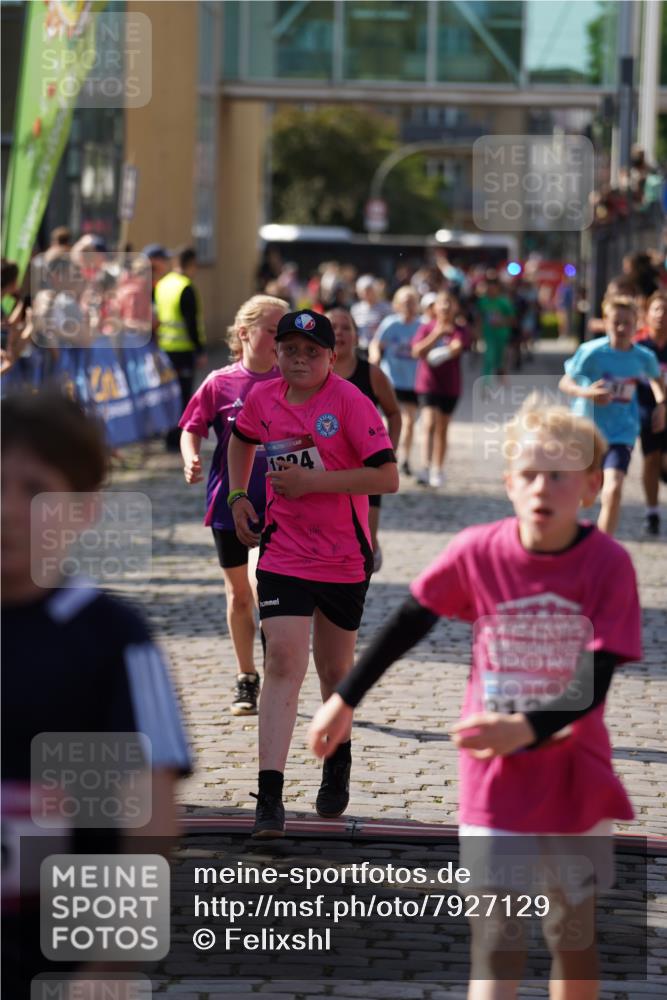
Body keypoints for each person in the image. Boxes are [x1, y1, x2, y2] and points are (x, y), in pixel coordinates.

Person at [309, 396, 642, 1000]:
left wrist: (524, 728)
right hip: (492, 777)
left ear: (592, 487)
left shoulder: (608, 565)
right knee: (496, 938)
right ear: (509, 482)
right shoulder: (477, 550)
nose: (543, 487)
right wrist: (345, 699)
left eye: (560, 475)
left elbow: (597, 677)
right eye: (530, 474)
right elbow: (411, 619)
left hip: (574, 774)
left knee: (571, 933)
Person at [1, 391, 191, 993]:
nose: (7, 510)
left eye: (35, 491)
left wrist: (109, 962)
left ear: (83, 511)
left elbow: (150, 812)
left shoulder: (111, 640)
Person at [227, 309, 398, 837]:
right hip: (283, 552)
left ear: (331, 356)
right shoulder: (263, 398)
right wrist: (238, 495)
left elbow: (387, 477)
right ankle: (269, 797)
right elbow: (240, 439)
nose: (299, 360)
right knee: (283, 659)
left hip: (344, 557)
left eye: (311, 352)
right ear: (275, 353)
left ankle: (337, 757)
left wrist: (312, 484)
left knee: (333, 671)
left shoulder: (350, 401)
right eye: (290, 350)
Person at [179, 295, 288, 714]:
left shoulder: (291, 382)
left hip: (281, 502)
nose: (280, 342)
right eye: (273, 332)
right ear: (244, 333)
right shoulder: (219, 383)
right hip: (230, 502)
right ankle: (247, 676)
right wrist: (190, 456)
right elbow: (192, 427)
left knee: (266, 587)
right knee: (239, 595)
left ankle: (277, 674)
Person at [559, 295, 666, 536]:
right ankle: (567, 536)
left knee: (613, 490)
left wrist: (662, 404)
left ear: (636, 325)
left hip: (621, 432)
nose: (621, 328)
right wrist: (587, 393)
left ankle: (601, 547)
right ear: (606, 322)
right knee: (584, 497)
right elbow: (565, 383)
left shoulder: (643, 357)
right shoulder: (590, 352)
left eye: (627, 323)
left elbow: (657, 380)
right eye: (616, 322)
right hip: (587, 431)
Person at [328, 306, 402, 572]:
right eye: (333, 327)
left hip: (367, 467)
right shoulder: (313, 375)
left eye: (345, 327)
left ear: (356, 336)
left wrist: (389, 452)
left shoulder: (372, 374)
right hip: (329, 468)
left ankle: (370, 553)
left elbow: (394, 413)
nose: (339, 333)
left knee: (363, 546)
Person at [411, 290, 470, 487]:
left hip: (450, 386)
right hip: (428, 384)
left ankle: (438, 468)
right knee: (429, 423)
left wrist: (444, 350)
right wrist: (437, 334)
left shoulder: (460, 330)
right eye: (441, 302)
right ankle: (425, 467)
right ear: (434, 307)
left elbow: (458, 347)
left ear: (456, 307)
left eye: (449, 302)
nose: (445, 306)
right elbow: (416, 351)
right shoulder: (426, 328)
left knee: (442, 428)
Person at [155, 246, 207, 451]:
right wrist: (200, 350)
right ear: (191, 264)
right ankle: (179, 438)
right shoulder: (186, 287)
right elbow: (191, 323)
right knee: (183, 395)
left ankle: (168, 435)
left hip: (163, 349)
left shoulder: (162, 284)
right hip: (183, 350)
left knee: (167, 394)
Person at [371, 286, 420, 475]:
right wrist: (375, 357)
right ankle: (389, 454)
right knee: (389, 419)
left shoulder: (421, 325)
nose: (408, 306)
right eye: (405, 302)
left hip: (413, 380)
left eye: (412, 302)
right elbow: (377, 343)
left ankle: (405, 458)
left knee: (409, 422)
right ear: (397, 304)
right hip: (391, 379)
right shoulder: (390, 323)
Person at [634, 290, 667, 535]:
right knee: (651, 459)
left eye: (666, 311)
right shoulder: (639, 348)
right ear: (647, 315)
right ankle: (652, 512)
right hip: (647, 410)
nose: (661, 315)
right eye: (657, 310)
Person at [476, 271, 515, 389]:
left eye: (493, 288)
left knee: (500, 359)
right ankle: (486, 384)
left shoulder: (504, 302)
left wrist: (501, 322)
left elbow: (512, 320)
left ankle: (502, 378)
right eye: (489, 288)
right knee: (489, 358)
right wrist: (477, 331)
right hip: (489, 335)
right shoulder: (483, 301)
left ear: (498, 289)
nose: (491, 290)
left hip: (502, 335)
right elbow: (479, 317)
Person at [351, 274, 391, 355]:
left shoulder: (386, 307)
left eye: (369, 290)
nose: (366, 293)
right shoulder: (355, 309)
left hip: (381, 348)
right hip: (361, 348)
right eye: (363, 290)